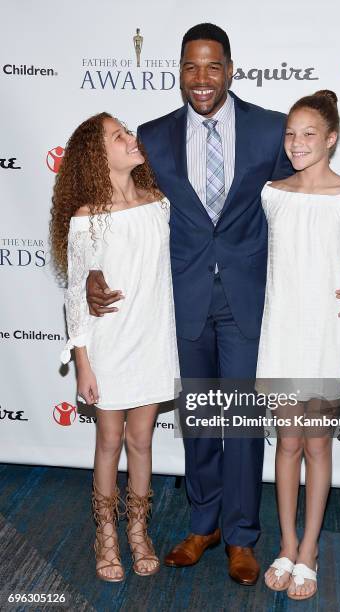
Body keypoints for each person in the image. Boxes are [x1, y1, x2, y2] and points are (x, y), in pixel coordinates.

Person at [86, 24, 340, 586]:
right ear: (180, 71)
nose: (202, 78)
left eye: (213, 66)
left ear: (231, 68)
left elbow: (310, 201)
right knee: (198, 419)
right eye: (191, 66)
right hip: (181, 299)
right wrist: (93, 263)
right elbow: (120, 199)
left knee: (238, 421)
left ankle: (241, 535)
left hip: (249, 300)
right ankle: (202, 523)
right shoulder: (154, 136)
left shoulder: (270, 130)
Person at [257, 90, 340, 600]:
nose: (297, 143)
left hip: (328, 332)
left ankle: (310, 549)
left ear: (331, 139)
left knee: (317, 444)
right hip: (282, 329)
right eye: (291, 134)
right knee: (287, 445)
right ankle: (286, 544)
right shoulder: (272, 192)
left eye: (309, 134)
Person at [50, 112, 180, 582]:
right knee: (109, 441)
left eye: (126, 130)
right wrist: (83, 362)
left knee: (141, 441)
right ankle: (106, 535)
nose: (130, 138)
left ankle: (139, 532)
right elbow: (76, 295)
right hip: (109, 345)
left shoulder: (158, 201)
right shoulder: (88, 218)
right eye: (117, 136)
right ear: (96, 155)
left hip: (152, 338)